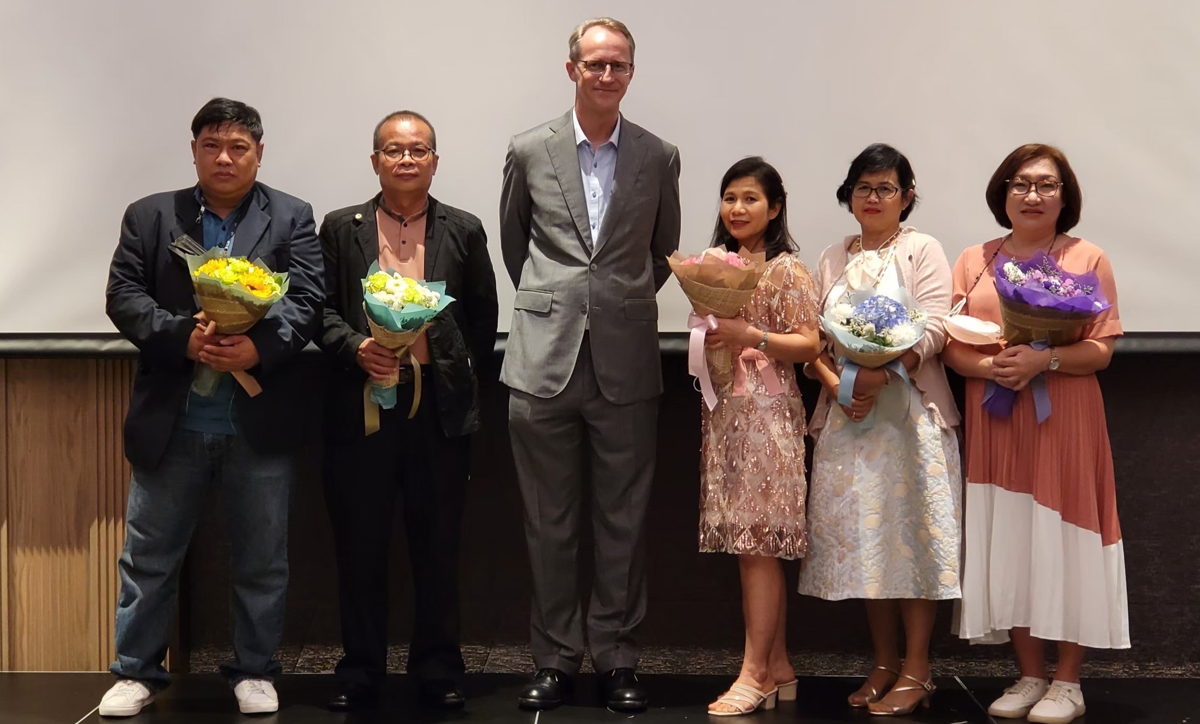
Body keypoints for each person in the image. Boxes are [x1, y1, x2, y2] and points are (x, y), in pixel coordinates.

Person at [100, 97, 324, 716]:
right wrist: (183, 335)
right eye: (211, 146)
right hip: (171, 420)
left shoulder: (292, 216)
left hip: (258, 421)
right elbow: (123, 294)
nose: (224, 158)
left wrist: (257, 347)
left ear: (259, 152)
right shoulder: (151, 216)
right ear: (194, 149)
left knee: (261, 560)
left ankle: (254, 670)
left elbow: (306, 299)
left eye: (238, 148)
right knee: (148, 557)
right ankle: (136, 672)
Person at [499, 16, 681, 712]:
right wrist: (559, 306)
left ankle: (617, 659)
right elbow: (518, 247)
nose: (607, 75)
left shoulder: (658, 155)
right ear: (571, 68)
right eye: (595, 64)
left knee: (623, 522)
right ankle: (553, 660)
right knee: (549, 522)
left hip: (627, 362)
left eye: (620, 65)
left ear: (631, 73)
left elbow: (659, 252)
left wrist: (611, 307)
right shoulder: (529, 149)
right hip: (542, 363)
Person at [316, 110, 498, 711]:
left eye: (418, 150)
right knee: (361, 544)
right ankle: (360, 669)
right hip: (360, 405)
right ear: (375, 162)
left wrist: (444, 366)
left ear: (435, 161)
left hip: (436, 407)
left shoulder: (464, 229)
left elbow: (480, 317)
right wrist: (357, 349)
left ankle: (439, 668)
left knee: (437, 544)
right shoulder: (341, 227)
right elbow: (321, 311)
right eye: (393, 150)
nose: (406, 160)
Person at [944, 143, 1128, 724]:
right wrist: (989, 367)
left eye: (1047, 185)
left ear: (1065, 197)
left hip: (1065, 418)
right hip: (997, 419)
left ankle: (1068, 680)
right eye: (1021, 183)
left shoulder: (1087, 257)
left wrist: (1042, 362)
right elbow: (952, 345)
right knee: (1014, 537)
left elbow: (1100, 349)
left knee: (1066, 538)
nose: (1033, 194)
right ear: (1003, 192)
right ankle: (1029, 674)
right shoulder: (974, 258)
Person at [798, 143, 962, 716]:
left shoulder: (923, 248)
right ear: (850, 195)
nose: (873, 197)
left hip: (911, 417)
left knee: (912, 541)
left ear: (906, 196)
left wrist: (886, 371)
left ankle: (919, 668)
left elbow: (938, 325)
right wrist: (847, 386)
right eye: (864, 187)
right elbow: (813, 341)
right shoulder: (831, 255)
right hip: (852, 419)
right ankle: (884, 662)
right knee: (870, 546)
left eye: (886, 188)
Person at [698, 158, 821, 716]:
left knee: (758, 547)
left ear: (774, 208)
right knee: (751, 548)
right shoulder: (714, 267)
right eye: (730, 198)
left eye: (750, 199)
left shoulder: (787, 269)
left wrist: (754, 335)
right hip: (727, 413)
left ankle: (753, 675)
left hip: (769, 415)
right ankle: (779, 666)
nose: (738, 209)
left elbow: (810, 345)